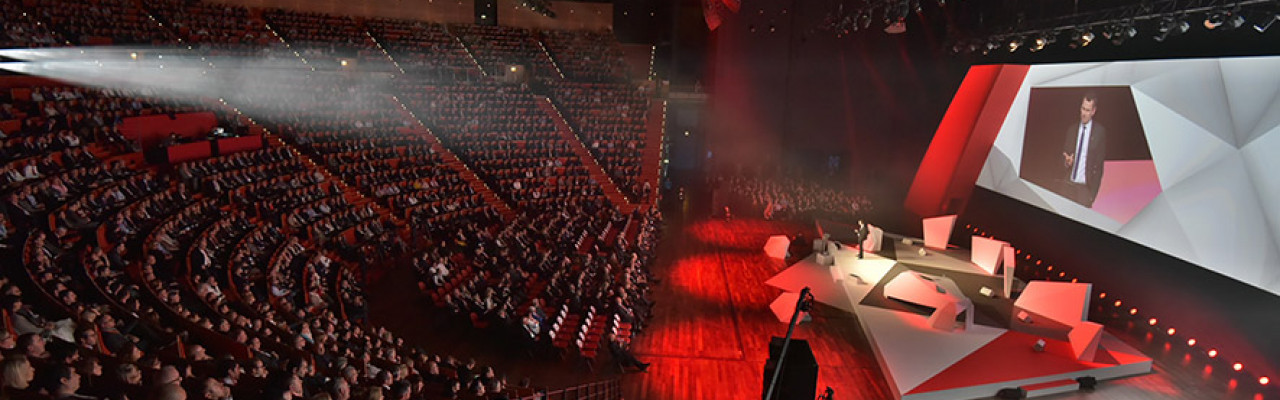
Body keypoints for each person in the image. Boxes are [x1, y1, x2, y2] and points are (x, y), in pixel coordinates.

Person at [1061, 93, 1107, 208]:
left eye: (1087, 110)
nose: (1083, 113)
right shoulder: (1072, 130)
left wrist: (1092, 195)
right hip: (1068, 186)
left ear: (1093, 111)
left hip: (1084, 190)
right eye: (1082, 109)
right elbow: (1064, 156)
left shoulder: (1099, 133)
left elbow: (1099, 167)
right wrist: (1067, 162)